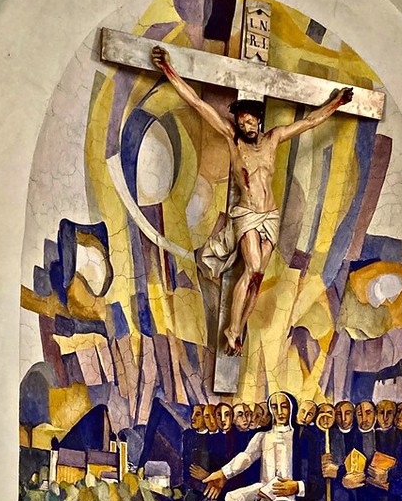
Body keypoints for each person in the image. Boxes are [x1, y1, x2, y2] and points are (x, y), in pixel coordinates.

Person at [151, 45, 353, 354]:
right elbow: (196, 103)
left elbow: (310, 122)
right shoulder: (232, 139)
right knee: (254, 268)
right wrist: (168, 69)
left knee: (257, 277)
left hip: (270, 214)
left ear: (259, 121)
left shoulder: (273, 139)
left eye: (250, 122)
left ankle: (239, 329)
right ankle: (231, 328)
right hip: (246, 213)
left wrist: (336, 103)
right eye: (242, 122)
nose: (246, 127)